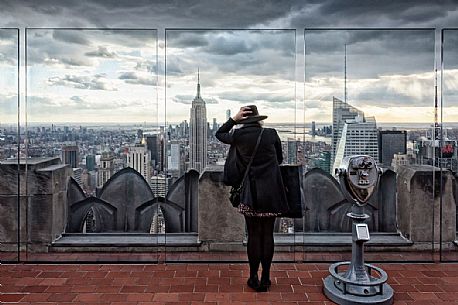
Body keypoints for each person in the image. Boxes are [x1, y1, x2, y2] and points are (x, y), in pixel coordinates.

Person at [216, 105, 289, 292]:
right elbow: (279, 159)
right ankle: (266, 277)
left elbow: (219, 133)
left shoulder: (238, 136)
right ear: (258, 119)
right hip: (273, 192)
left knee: (254, 234)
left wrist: (234, 119)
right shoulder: (271, 134)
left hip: (250, 194)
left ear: (244, 120)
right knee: (268, 234)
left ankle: (253, 277)